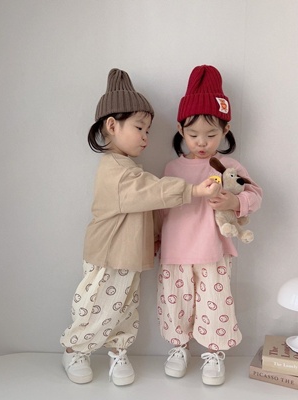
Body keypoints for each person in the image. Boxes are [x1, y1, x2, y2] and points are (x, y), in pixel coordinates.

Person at [60, 68, 221, 386]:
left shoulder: (128, 166)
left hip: (129, 256)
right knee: (96, 305)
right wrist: (192, 190)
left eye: (148, 130)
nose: (146, 137)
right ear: (111, 125)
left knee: (125, 307)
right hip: (108, 255)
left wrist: (156, 237)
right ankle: (75, 349)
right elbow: (150, 191)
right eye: (139, 128)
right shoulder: (115, 171)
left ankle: (118, 351)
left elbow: (146, 206)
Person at [157, 65, 262, 385]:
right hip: (175, 251)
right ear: (180, 129)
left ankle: (214, 352)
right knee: (175, 301)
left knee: (214, 305)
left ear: (226, 129)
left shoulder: (229, 166)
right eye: (193, 134)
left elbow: (255, 195)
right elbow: (160, 209)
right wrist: (155, 240)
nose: (201, 142)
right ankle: (179, 347)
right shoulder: (172, 167)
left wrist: (234, 203)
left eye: (211, 134)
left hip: (214, 250)